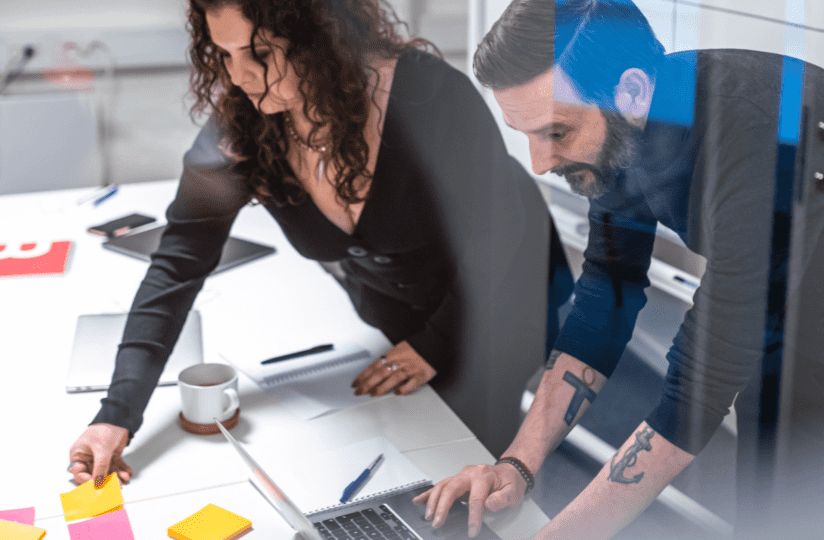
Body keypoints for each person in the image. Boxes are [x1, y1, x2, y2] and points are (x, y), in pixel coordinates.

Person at [415, 0, 824, 538]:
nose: (539, 162)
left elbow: (699, 385)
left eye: (555, 133)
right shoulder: (621, 130)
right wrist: (515, 466)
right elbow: (607, 297)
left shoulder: (742, 138)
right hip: (795, 308)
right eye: (528, 134)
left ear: (629, 92)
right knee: (765, 509)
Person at [67, 0, 572, 488]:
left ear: (319, 35)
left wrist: (434, 344)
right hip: (399, 312)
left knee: (478, 469)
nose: (238, 76)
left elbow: (497, 239)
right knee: (410, 452)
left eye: (259, 52)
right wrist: (117, 414)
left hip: (504, 296)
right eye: (224, 54)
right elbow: (177, 265)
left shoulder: (431, 98)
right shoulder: (244, 124)